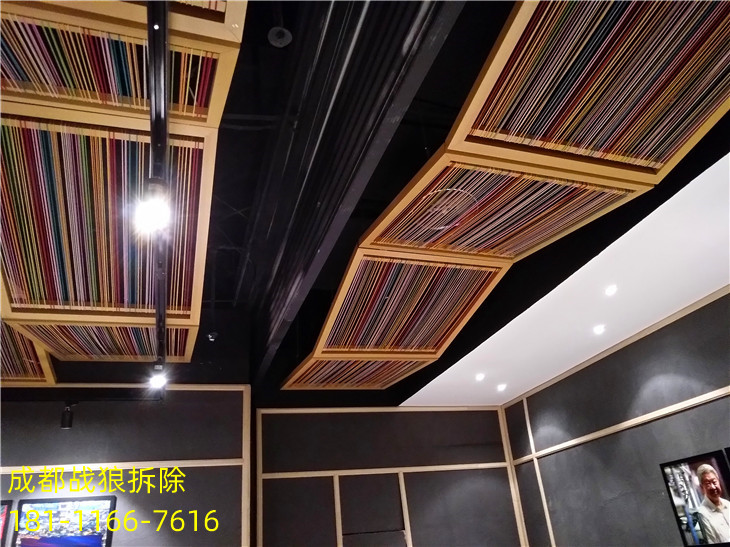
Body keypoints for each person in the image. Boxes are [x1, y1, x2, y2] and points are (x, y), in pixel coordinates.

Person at [695, 464, 730, 544]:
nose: (713, 487)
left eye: (714, 482)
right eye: (708, 483)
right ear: (701, 488)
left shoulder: (728, 504)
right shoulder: (702, 514)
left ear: (718, 481)